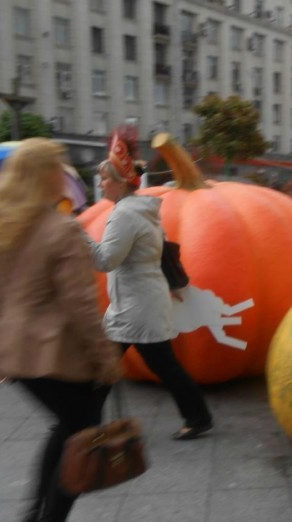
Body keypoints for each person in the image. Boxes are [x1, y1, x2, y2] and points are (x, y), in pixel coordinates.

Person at [0, 138, 122, 522]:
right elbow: (81, 306)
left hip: (19, 357)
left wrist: (0, 353)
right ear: (46, 176)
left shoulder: (7, 226)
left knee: (65, 428)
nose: (66, 174)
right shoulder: (63, 230)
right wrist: (106, 358)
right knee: (83, 438)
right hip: (57, 355)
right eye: (60, 167)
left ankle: (36, 516)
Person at [88, 132, 213, 440]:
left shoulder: (124, 215)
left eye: (105, 178)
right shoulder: (141, 209)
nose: (101, 183)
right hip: (140, 302)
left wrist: (76, 235)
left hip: (136, 307)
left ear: (120, 181)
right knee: (144, 365)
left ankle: (81, 423)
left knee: (115, 367)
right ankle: (198, 416)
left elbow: (105, 260)